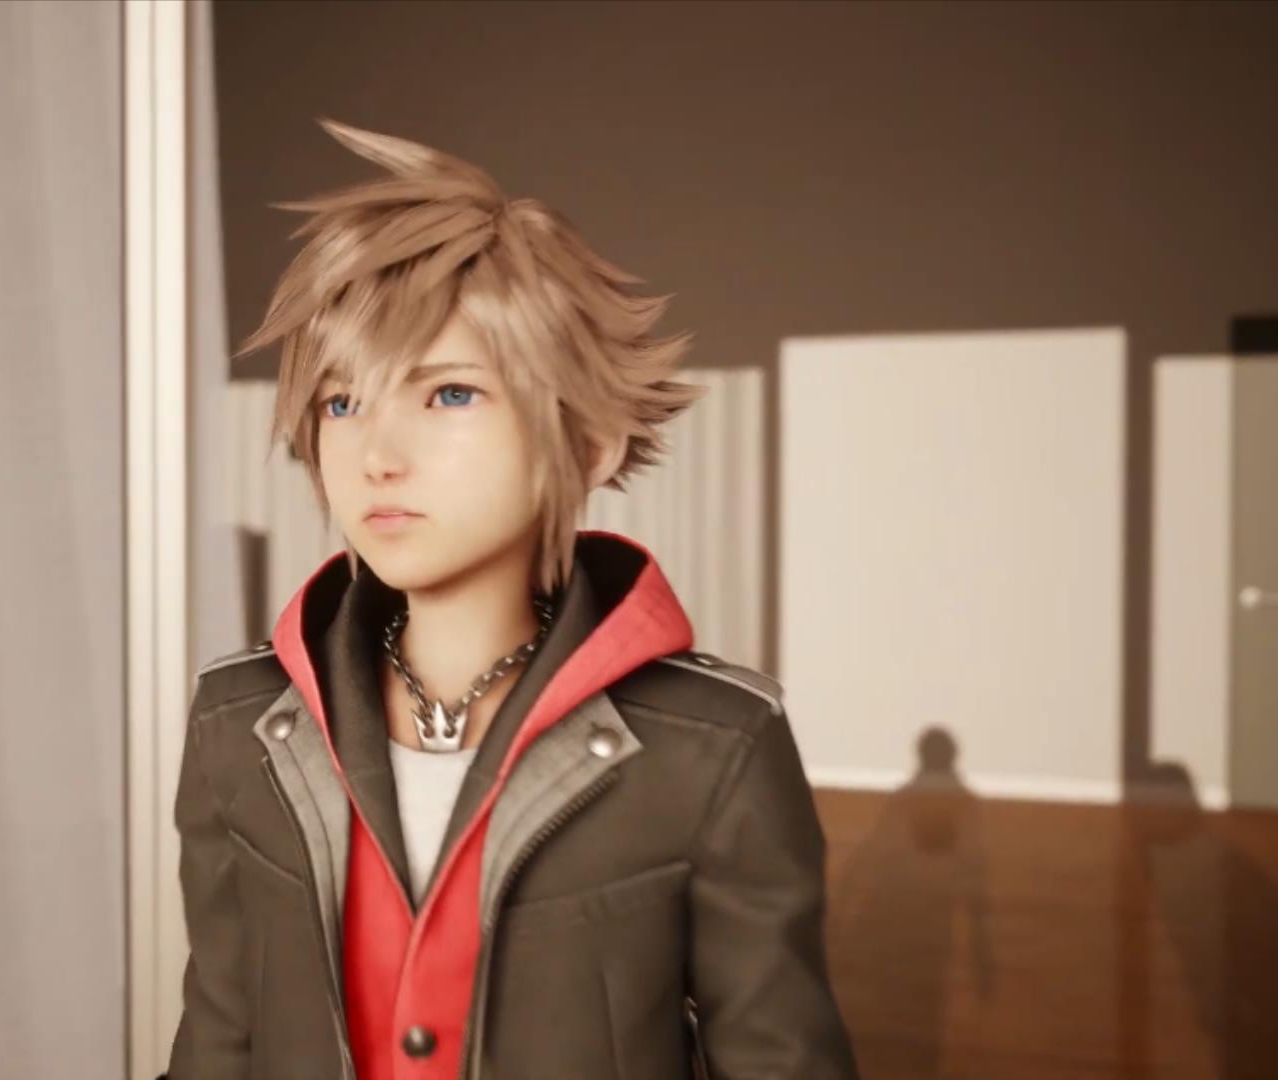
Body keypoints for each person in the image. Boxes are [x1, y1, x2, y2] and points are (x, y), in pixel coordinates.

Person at [168, 119, 858, 1080]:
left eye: (449, 393)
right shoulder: (236, 721)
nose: (377, 455)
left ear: (587, 443)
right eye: (341, 402)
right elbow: (218, 1038)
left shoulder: (714, 746)